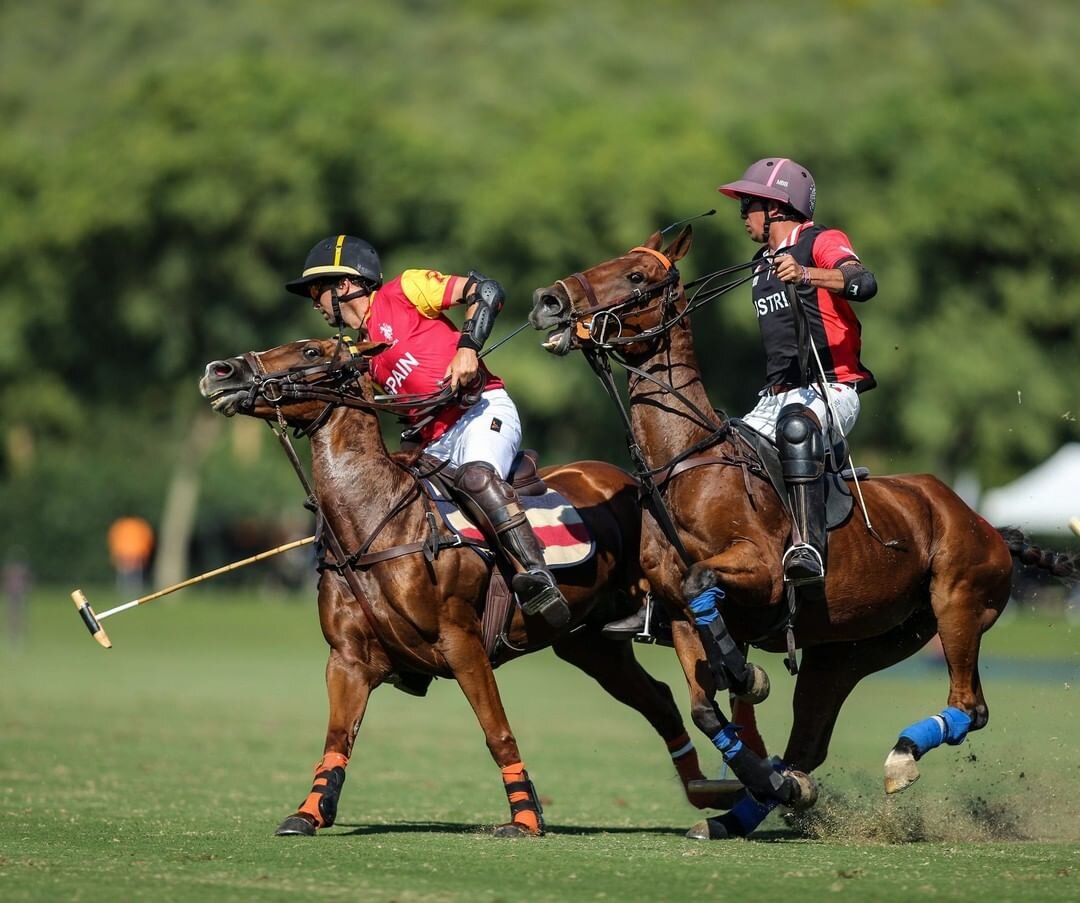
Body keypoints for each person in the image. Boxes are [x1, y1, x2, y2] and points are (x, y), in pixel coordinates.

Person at [285, 235, 570, 629]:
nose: (314, 302)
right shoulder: (363, 352)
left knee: (477, 477)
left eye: (317, 290)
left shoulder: (404, 290)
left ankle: (538, 575)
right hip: (436, 442)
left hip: (482, 410)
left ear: (346, 284)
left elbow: (486, 290)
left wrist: (468, 347)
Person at [717, 157, 878, 583]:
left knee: (797, 429)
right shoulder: (759, 264)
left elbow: (863, 283)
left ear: (776, 207)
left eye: (748, 203)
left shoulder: (821, 240)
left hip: (833, 390)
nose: (741, 213)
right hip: (775, 397)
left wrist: (807, 273)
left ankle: (809, 549)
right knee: (720, 453)